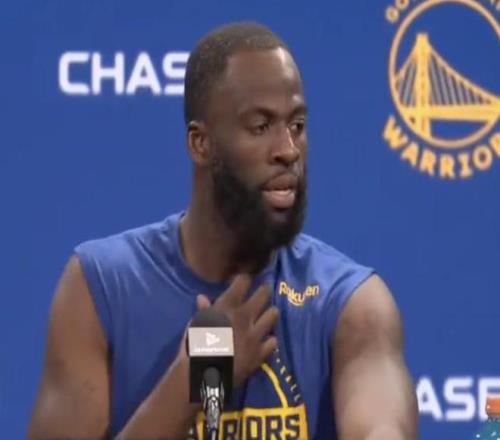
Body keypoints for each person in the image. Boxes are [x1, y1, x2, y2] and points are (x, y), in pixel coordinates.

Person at [28, 22, 418, 439]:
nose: (288, 150)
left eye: (297, 126)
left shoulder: (352, 305)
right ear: (201, 144)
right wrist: (195, 381)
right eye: (260, 126)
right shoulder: (101, 286)